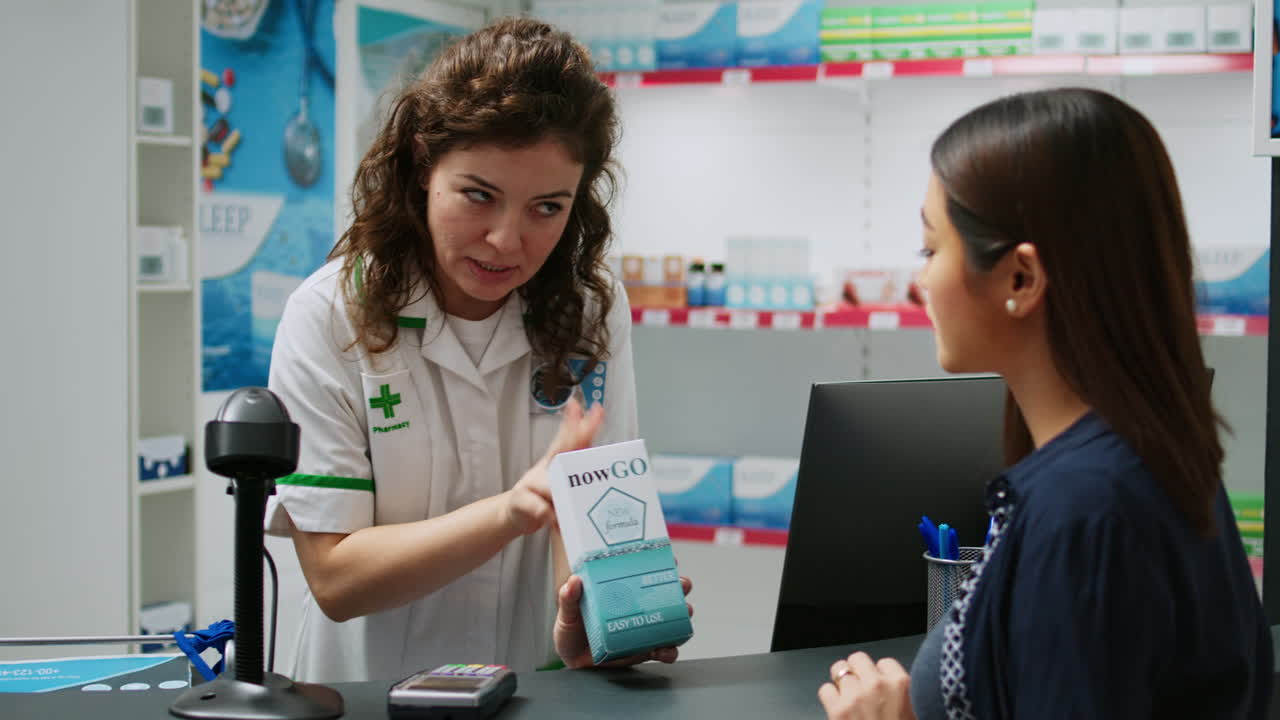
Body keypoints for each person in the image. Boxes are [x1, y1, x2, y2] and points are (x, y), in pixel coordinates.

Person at [818, 88, 1273, 719]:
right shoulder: (1149, 459)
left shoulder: (1083, 514)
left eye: (931, 250)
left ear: (1021, 279)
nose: (921, 282)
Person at [264, 17, 690, 684]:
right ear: (421, 170)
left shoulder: (589, 305)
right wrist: (509, 511)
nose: (505, 241)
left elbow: (588, 512)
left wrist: (599, 621)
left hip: (533, 687)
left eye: (547, 208)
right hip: (374, 689)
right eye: (478, 196)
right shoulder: (330, 316)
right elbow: (335, 577)